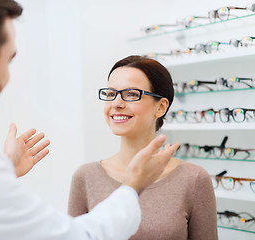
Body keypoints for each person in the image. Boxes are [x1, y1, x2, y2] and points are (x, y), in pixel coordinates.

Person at [0, 1, 180, 239]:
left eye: (131, 94)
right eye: (8, 60)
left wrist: (4, 171)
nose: (7, 77)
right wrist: (133, 186)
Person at [68, 55, 218, 240]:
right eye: (110, 94)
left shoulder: (194, 179)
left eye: (131, 94)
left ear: (161, 107)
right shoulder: (85, 177)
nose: (116, 103)